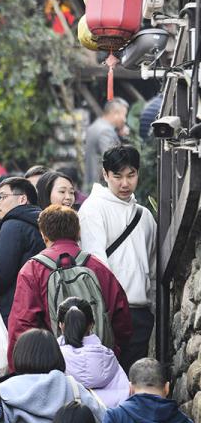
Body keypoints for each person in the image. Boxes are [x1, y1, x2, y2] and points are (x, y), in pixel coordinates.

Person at [7, 204, 132, 364]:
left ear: (44, 234)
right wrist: (113, 352)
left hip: (54, 365)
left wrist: (19, 367)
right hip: (99, 361)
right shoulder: (97, 267)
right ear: (78, 232)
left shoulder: (33, 269)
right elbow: (122, 318)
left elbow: (22, 323)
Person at [79, 145, 157, 370]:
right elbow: (97, 265)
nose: (125, 183)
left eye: (131, 175)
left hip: (141, 313)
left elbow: (153, 268)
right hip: (108, 312)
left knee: (133, 379)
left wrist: (154, 310)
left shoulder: (144, 216)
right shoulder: (93, 209)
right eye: (117, 176)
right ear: (105, 174)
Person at [0, 176, 45, 324]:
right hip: (40, 304)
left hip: (16, 307)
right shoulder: (41, 222)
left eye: (3, 197)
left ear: (22, 199)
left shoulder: (13, 224)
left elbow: (1, 272)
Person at [57, 297, 129, 407]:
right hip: (109, 417)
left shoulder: (54, 359)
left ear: (61, 325)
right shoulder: (109, 358)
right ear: (91, 324)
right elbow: (124, 394)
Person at [84, 97, 129, 191]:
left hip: (90, 183)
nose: (125, 120)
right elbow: (113, 161)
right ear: (115, 113)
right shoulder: (106, 131)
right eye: (124, 115)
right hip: (101, 187)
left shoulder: (95, 126)